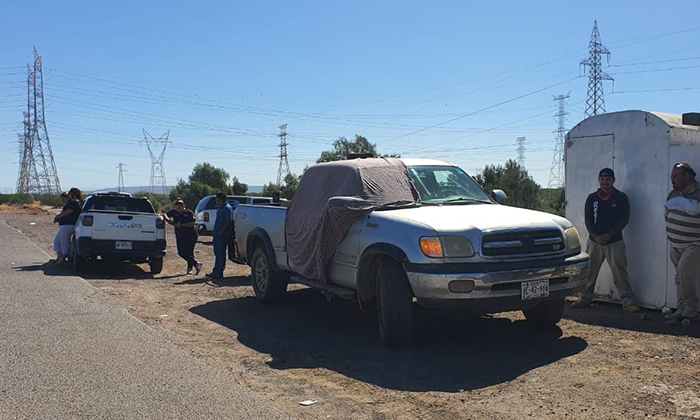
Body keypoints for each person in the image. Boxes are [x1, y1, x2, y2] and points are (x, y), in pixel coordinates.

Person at [573, 168, 639, 312]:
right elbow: (588, 220)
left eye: (608, 179)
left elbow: (624, 220)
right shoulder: (592, 198)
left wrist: (610, 234)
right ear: (599, 181)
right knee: (589, 271)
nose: (605, 182)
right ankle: (584, 298)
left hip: (614, 241)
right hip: (594, 241)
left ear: (613, 181)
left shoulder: (621, 198)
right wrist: (595, 236)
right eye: (602, 179)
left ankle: (628, 302)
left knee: (619, 272)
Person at [664, 162, 700, 325]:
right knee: (679, 277)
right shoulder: (673, 194)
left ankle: (691, 310)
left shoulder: (699, 193)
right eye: (672, 177)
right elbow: (667, 214)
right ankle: (680, 309)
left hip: (694, 243)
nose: (673, 180)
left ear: (688, 176)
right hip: (675, 244)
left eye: (676, 176)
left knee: (685, 271)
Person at [162, 198, 202, 275]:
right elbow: (165, 214)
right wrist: (169, 221)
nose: (178, 210)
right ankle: (196, 264)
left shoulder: (189, 213)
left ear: (183, 206)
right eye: (176, 208)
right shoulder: (175, 212)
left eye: (179, 208)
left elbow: (192, 223)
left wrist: (181, 225)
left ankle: (190, 268)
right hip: (180, 235)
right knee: (181, 252)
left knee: (189, 252)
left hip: (191, 235)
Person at [51, 191, 81, 265]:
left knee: (64, 242)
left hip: (68, 225)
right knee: (57, 241)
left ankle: (62, 258)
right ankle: (59, 257)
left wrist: (58, 216)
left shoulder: (74, 204)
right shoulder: (71, 204)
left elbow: (67, 212)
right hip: (65, 225)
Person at [207, 192, 232, 279]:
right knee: (217, 253)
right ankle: (215, 271)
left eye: (217, 199)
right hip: (217, 234)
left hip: (223, 235)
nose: (216, 201)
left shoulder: (227, 209)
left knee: (221, 254)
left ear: (222, 200)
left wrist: (221, 231)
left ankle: (219, 272)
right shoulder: (220, 208)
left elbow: (228, 221)